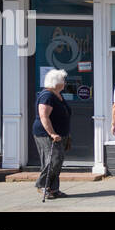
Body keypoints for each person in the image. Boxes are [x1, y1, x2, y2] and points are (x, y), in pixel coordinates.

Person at [33, 69, 72, 201]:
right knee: (52, 161)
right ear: (56, 82)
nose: (65, 83)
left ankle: (54, 189)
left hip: (61, 134)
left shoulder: (57, 95)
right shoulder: (47, 96)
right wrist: (52, 133)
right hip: (46, 134)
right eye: (63, 80)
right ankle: (42, 185)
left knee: (58, 160)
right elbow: (44, 116)